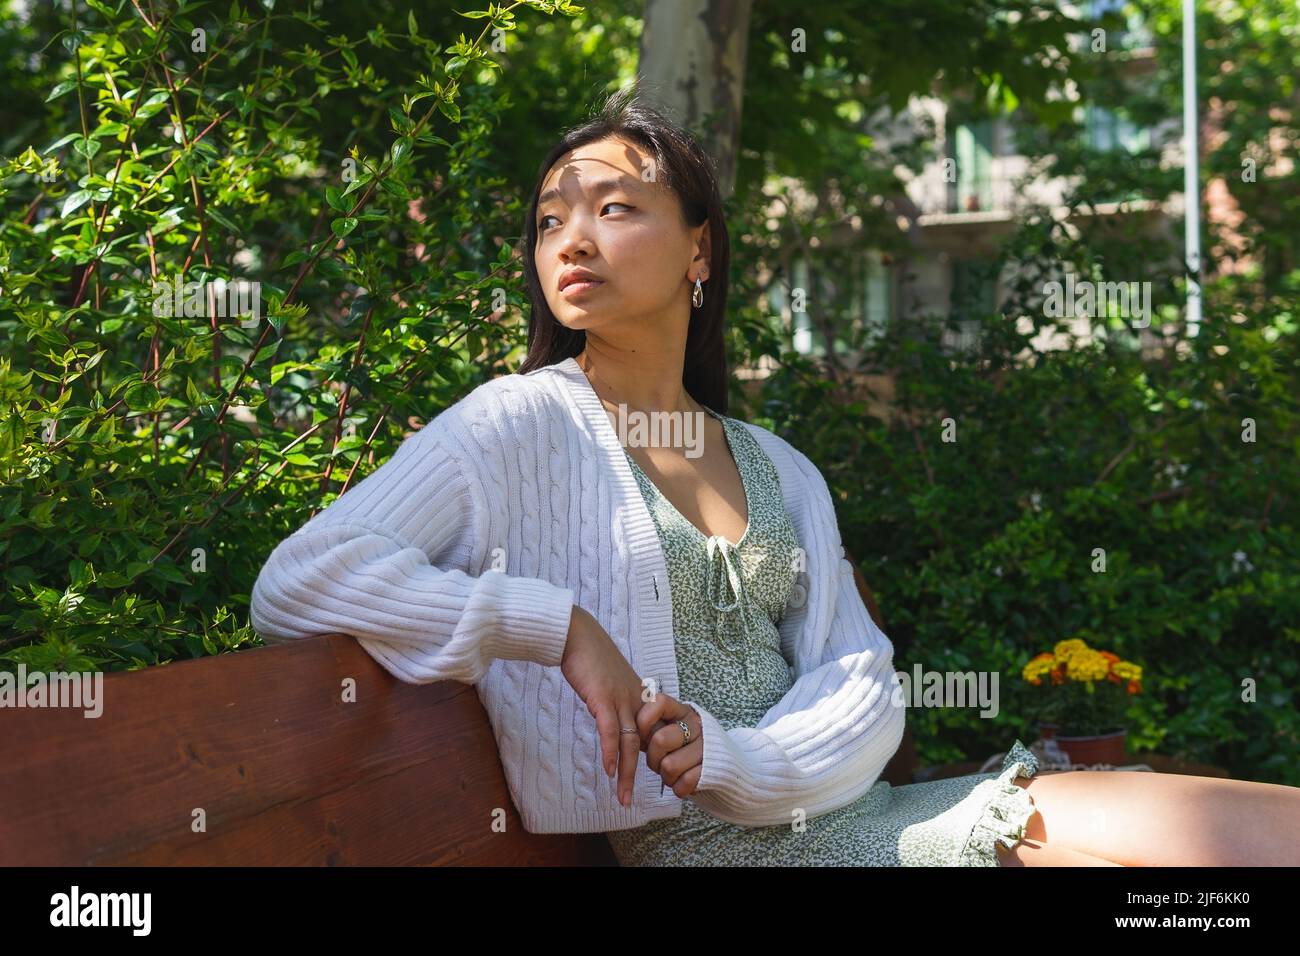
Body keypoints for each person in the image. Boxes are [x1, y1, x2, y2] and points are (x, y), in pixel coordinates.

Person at [249, 88, 1300, 866]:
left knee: (1247, 840)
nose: (571, 236)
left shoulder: (775, 462)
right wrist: (554, 622)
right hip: (713, 855)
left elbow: (857, 679)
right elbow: (299, 578)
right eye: (548, 218)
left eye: (614, 207)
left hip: (843, 816)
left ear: (699, 248)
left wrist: (742, 762)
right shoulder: (515, 425)